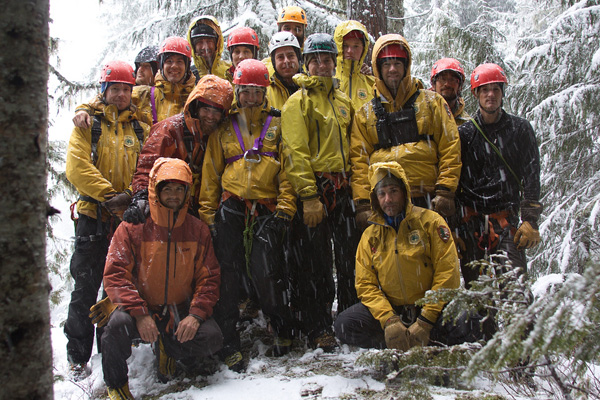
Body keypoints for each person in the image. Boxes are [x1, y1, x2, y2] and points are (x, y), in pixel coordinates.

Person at [199, 59, 296, 369]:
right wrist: (208, 216)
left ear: (265, 92)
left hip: (267, 207)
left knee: (267, 270)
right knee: (227, 275)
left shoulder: (279, 125)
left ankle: (281, 328)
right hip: (232, 206)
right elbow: (211, 175)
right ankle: (229, 341)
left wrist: (285, 207)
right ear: (237, 92)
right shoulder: (224, 128)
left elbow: (289, 170)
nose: (251, 98)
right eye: (246, 92)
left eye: (257, 92)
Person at [100, 157, 222, 399]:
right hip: (139, 309)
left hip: (178, 309)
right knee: (115, 327)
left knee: (211, 337)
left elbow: (209, 279)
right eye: (167, 188)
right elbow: (115, 274)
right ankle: (116, 386)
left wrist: (196, 315)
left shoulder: (198, 229)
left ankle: (168, 345)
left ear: (187, 191)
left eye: (180, 188)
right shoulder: (131, 227)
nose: (174, 195)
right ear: (156, 190)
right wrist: (140, 313)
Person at [335, 161, 482, 350]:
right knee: (344, 325)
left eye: (393, 191)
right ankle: (397, 342)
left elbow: (448, 275)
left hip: (430, 309)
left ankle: (428, 341)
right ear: (375, 198)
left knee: (471, 320)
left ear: (404, 191)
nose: (388, 199)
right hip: (394, 310)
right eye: (382, 194)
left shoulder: (431, 222)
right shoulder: (370, 236)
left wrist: (425, 321)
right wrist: (389, 320)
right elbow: (365, 285)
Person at [64, 60, 149, 380]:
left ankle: (106, 348)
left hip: (126, 216)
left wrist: (128, 195)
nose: (121, 95)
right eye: (115, 89)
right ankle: (77, 354)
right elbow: (76, 167)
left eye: (126, 89)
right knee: (85, 286)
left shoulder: (138, 127)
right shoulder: (88, 124)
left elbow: (146, 165)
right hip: (93, 216)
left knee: (116, 284)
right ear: (104, 90)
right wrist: (107, 195)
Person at [281, 33, 358, 350]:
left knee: (350, 258)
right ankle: (318, 326)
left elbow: (354, 147)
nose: (321, 65)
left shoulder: (343, 103)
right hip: (314, 189)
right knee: (316, 263)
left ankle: (352, 319)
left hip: (343, 187)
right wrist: (309, 197)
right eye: (315, 60)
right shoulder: (297, 103)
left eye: (327, 60)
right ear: (306, 64)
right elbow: (295, 152)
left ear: (334, 63)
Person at [350, 34, 461, 231]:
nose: (392, 69)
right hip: (386, 202)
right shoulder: (364, 115)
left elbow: (450, 146)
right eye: (386, 64)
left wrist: (446, 191)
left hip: (427, 199)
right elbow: (359, 162)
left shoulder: (432, 103)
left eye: (397, 64)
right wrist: (363, 204)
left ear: (406, 66)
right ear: (378, 68)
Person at [456, 63, 542, 286]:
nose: (490, 95)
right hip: (472, 223)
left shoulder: (520, 129)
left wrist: (530, 220)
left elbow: (532, 174)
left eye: (495, 89)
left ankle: (521, 323)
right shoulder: (465, 134)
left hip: (507, 221)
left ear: (503, 92)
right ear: (476, 94)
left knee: (516, 291)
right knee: (478, 295)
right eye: (485, 90)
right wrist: (455, 227)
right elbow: (455, 182)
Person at [123, 74, 233, 223]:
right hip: (169, 205)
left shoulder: (218, 134)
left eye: (216, 111)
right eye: (206, 109)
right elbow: (147, 167)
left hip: (203, 208)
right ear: (195, 106)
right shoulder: (168, 130)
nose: (210, 116)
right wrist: (141, 197)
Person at [134, 36, 196, 125]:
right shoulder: (141, 96)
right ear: (162, 66)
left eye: (179, 62)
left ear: (187, 67)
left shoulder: (196, 98)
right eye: (169, 61)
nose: (174, 66)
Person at [333, 20, 376, 111]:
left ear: (363, 49)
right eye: (345, 46)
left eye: (356, 46)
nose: (350, 51)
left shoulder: (371, 84)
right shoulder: (328, 79)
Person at [264, 5, 307, 76]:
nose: (292, 33)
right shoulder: (266, 66)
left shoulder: (311, 61)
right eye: (287, 28)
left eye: (297, 29)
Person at [187, 15, 231, 81]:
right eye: (200, 42)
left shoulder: (229, 72)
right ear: (193, 46)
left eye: (209, 41)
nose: (205, 47)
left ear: (217, 44)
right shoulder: (188, 76)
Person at [266, 31, 302, 110]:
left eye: (290, 56)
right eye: (280, 57)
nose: (286, 61)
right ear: (274, 62)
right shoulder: (266, 93)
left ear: (298, 57)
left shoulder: (310, 87)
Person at [430, 58, 469, 126]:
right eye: (442, 79)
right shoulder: (421, 116)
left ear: (460, 86)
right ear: (433, 84)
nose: (447, 84)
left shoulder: (467, 124)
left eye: (452, 80)